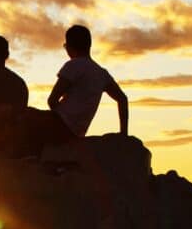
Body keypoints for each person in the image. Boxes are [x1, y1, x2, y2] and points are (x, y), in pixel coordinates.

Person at [24, 25, 128, 153]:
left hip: (59, 123)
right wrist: (124, 134)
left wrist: (57, 119)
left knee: (19, 114)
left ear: (69, 46)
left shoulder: (73, 65)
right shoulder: (102, 73)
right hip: (77, 132)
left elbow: (52, 100)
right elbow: (122, 99)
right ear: (89, 45)